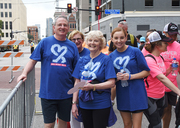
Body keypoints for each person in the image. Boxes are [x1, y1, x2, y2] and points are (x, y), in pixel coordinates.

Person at [17, 16, 79, 128]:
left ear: (68, 28)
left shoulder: (72, 46)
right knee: (49, 124)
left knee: (63, 123)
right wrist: (24, 73)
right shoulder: (44, 42)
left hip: (66, 93)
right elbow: (32, 61)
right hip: (48, 93)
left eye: (65, 25)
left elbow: (76, 73)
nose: (62, 27)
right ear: (54, 27)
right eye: (59, 24)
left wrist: (74, 99)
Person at [71, 30, 117, 128]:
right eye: (90, 40)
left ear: (101, 43)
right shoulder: (82, 60)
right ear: (87, 42)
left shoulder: (106, 59)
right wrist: (74, 103)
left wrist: (93, 86)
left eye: (96, 41)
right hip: (84, 103)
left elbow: (112, 83)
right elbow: (77, 82)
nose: (92, 43)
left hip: (101, 103)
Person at [109, 27, 150, 128]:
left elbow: (147, 71)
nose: (119, 41)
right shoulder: (111, 56)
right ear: (112, 39)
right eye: (116, 38)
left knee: (136, 126)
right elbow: (110, 78)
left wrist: (130, 76)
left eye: (122, 37)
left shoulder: (135, 51)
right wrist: (117, 78)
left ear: (126, 37)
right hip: (123, 94)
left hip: (137, 92)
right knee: (127, 124)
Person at [143, 31, 180, 128]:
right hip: (149, 97)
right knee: (157, 124)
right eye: (165, 42)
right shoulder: (149, 59)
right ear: (157, 45)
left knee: (155, 123)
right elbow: (162, 78)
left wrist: (169, 69)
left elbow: (162, 74)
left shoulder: (160, 57)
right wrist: (178, 92)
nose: (167, 44)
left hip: (160, 96)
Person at [68, 30, 90, 128]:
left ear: (82, 40)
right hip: (70, 87)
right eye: (73, 39)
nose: (76, 41)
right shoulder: (68, 54)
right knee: (74, 117)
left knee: (86, 118)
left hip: (85, 88)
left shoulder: (89, 52)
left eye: (78, 39)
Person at [161, 22, 180, 128]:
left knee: (168, 108)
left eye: (175, 35)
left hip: (172, 83)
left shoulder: (178, 46)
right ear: (164, 33)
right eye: (170, 34)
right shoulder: (159, 43)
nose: (173, 37)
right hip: (158, 82)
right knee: (159, 109)